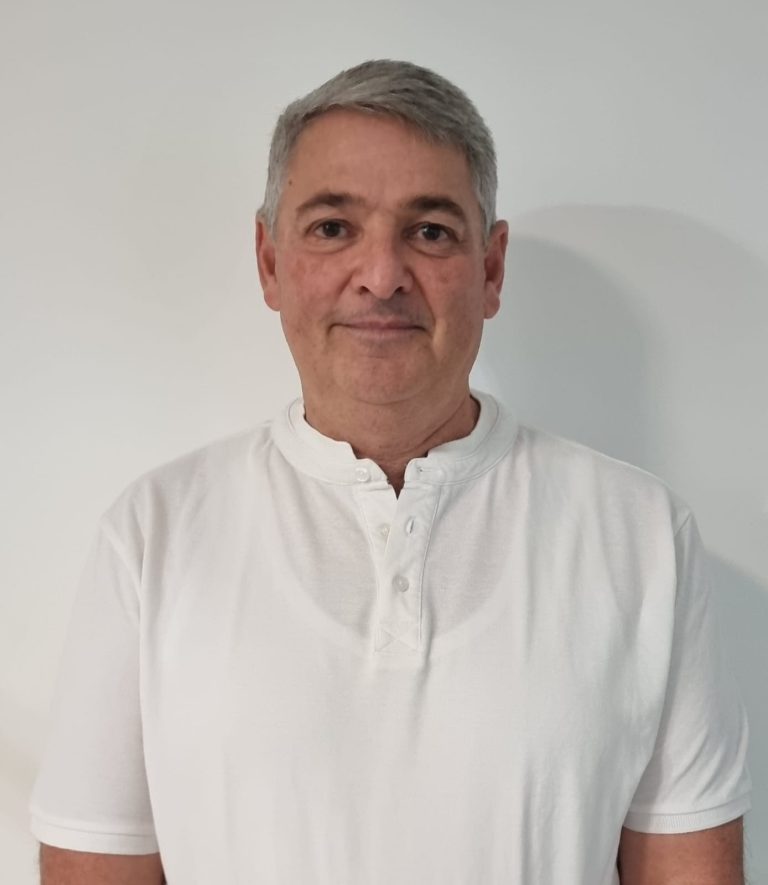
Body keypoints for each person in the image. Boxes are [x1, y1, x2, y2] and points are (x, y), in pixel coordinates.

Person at [30, 59, 751, 884]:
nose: (381, 276)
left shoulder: (643, 536)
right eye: (333, 227)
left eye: (431, 231)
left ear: (491, 269)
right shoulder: (152, 535)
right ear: (269, 261)